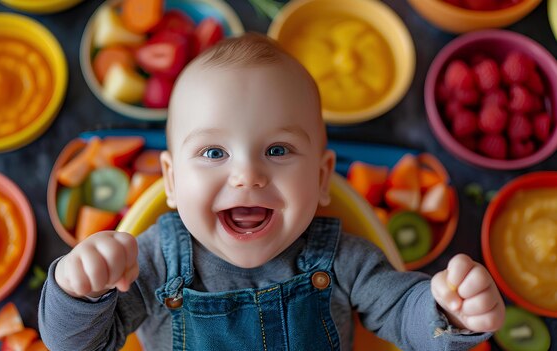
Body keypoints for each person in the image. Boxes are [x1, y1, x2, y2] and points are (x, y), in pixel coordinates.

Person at [39, 33, 504, 351]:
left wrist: (451, 315)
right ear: (172, 181)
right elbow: (78, 344)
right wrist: (77, 291)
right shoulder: (151, 262)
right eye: (214, 152)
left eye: (278, 149)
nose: (248, 174)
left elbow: (406, 313)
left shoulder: (346, 261)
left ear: (322, 179)